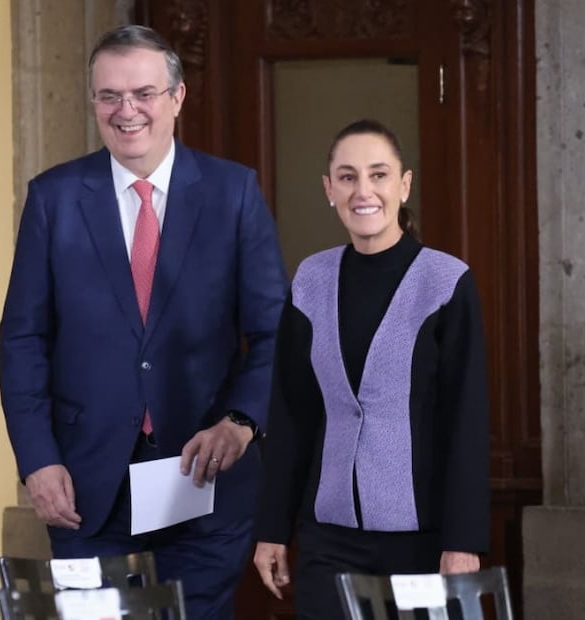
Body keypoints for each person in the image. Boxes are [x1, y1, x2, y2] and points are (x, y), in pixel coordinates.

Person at [0, 24, 287, 619]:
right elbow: (23, 338)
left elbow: (274, 332)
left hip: (204, 487)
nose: (126, 110)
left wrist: (240, 423)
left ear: (177, 97)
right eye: (109, 95)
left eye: (143, 93)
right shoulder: (54, 199)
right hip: (84, 493)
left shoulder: (233, 193)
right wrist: (37, 460)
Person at [252, 119, 490, 619]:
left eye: (379, 175)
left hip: (421, 540)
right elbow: (292, 414)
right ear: (329, 189)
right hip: (327, 540)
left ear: (404, 185)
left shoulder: (447, 282)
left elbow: (466, 420)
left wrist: (463, 541)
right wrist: (272, 528)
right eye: (348, 177)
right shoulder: (310, 280)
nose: (363, 191)